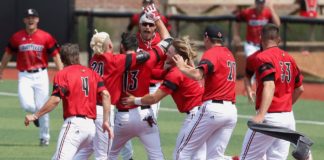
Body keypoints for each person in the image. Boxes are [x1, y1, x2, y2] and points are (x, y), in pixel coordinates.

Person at [122, 36, 207, 160]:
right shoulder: (178, 69)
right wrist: (139, 62)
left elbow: (154, 99)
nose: (166, 54)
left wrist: (134, 100)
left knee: (180, 155)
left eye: (170, 52)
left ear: (177, 57)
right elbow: (154, 73)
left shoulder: (175, 73)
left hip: (195, 117)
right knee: (200, 157)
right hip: (201, 115)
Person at [24, 43, 114, 159]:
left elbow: (55, 100)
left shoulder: (63, 74)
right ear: (77, 56)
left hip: (74, 126)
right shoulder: (93, 74)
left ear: (62, 59)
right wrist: (106, 121)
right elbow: (106, 95)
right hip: (91, 128)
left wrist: (36, 116)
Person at [73, 30, 150, 160]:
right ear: (109, 46)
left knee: (89, 148)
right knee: (104, 155)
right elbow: (145, 56)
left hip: (89, 109)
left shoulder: (93, 60)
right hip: (103, 110)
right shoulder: (115, 60)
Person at [109, 4, 172, 160]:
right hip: (142, 104)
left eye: (151, 25)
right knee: (153, 142)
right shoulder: (149, 54)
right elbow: (169, 40)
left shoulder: (119, 58)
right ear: (139, 26)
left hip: (144, 93)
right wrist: (167, 72)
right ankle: (129, 155)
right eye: (145, 24)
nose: (148, 27)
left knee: (106, 154)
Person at [240, 23, 304, 160]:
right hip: (287, 118)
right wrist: (285, 106)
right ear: (278, 39)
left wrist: (261, 115)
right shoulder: (289, 58)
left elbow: (269, 85)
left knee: (247, 158)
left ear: (260, 38)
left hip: (269, 118)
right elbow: (300, 89)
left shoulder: (262, 57)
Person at [0, 8, 63, 146]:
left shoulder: (45, 36)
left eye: (33, 17)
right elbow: (7, 54)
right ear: (24, 20)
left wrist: (62, 73)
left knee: (43, 106)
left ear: (37, 20)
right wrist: (1, 70)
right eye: (28, 17)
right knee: (26, 104)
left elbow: (56, 55)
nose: (31, 19)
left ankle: (44, 137)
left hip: (41, 75)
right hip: (24, 75)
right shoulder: (17, 37)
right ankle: (36, 114)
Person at [172, 25, 237, 159]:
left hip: (213, 109)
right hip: (231, 111)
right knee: (215, 157)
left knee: (183, 151)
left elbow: (197, 75)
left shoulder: (211, 53)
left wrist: (181, 67)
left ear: (207, 38)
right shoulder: (229, 54)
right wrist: (186, 65)